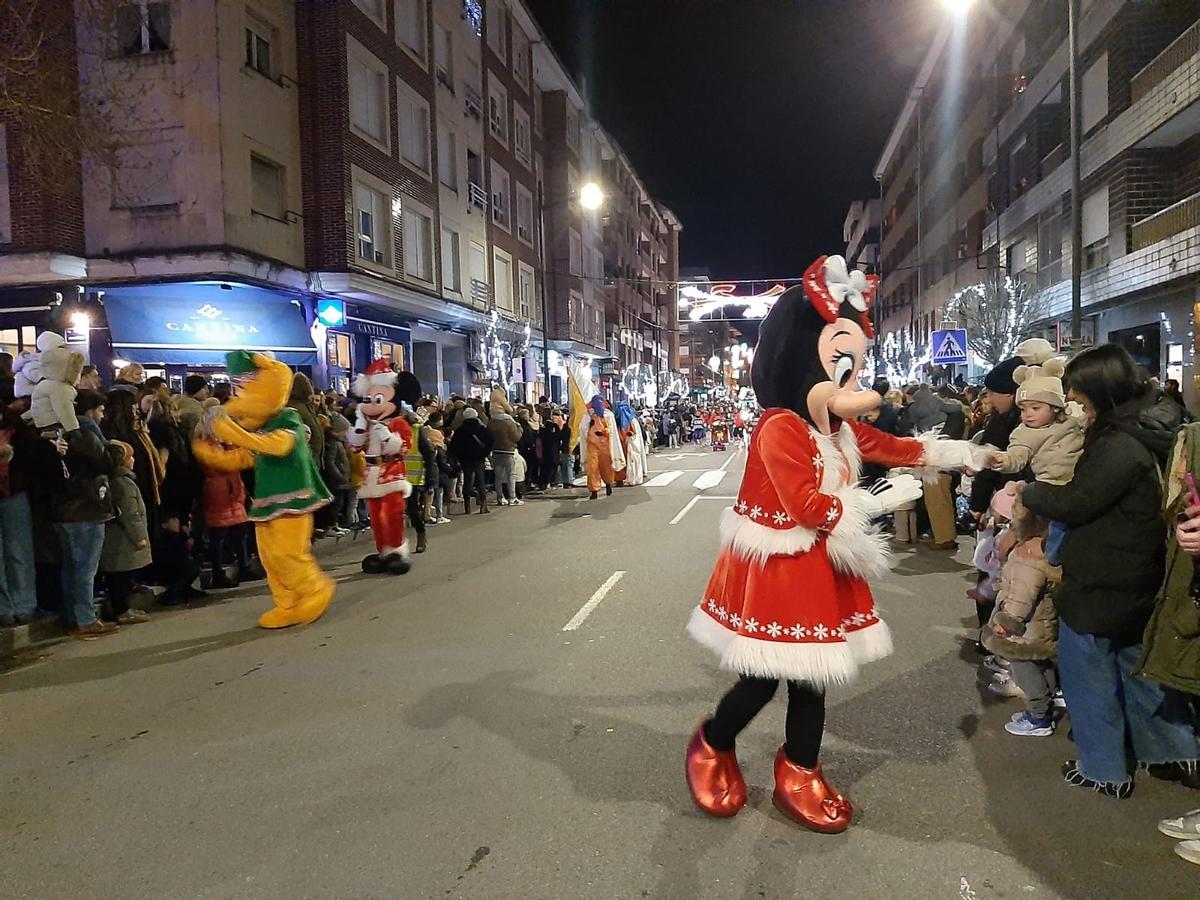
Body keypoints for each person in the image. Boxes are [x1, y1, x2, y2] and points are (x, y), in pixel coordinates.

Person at [684, 255, 976, 833]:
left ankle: (799, 768)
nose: (853, 386)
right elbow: (806, 507)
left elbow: (890, 444)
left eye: (853, 369)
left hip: (818, 570)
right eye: (838, 366)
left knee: (814, 680)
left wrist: (959, 455)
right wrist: (876, 502)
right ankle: (712, 743)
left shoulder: (833, 428)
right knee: (763, 678)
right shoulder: (780, 426)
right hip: (779, 571)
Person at [1021, 343, 1196, 798]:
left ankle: (1104, 769)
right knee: (1138, 668)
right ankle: (1173, 753)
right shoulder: (1154, 428)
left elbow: (1077, 502)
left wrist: (1030, 492)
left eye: (1080, 393)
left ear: (1100, 389)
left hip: (1104, 574)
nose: (1076, 401)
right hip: (1139, 569)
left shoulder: (1119, 444)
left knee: (1088, 674)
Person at [193, 351, 334, 627]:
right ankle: (287, 603)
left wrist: (230, 431)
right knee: (270, 557)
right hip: (266, 502)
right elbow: (246, 457)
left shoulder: (288, 418)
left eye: (243, 391)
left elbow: (277, 446)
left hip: (294, 500)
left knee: (287, 552)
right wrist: (210, 454)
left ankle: (314, 590)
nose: (237, 402)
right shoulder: (262, 426)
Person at [99, 441, 152, 624]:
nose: (133, 460)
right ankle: (121, 610)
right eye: (130, 457)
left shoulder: (116, 481)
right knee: (120, 577)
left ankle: (120, 608)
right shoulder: (123, 484)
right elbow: (131, 515)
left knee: (118, 576)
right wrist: (140, 538)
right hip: (122, 540)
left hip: (117, 539)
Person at [0, 400, 40, 626]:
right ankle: (5, 610)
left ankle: (24, 607)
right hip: (12, 492)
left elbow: (30, 455)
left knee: (20, 550)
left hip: (14, 491)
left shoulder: (13, 423)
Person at [449, 407, 492, 514]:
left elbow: (454, 446)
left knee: (467, 481)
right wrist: (484, 453)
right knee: (480, 481)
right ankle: (483, 505)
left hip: (465, 459)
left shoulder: (460, 430)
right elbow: (490, 442)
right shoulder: (481, 429)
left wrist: (459, 457)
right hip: (479, 458)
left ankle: (467, 507)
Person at [488, 398, 523, 507]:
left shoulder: (491, 422)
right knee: (510, 476)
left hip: (495, 451)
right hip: (508, 451)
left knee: (498, 476)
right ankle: (512, 498)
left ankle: (500, 497)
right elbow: (516, 437)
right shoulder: (509, 422)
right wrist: (520, 428)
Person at [323, 413, 353, 535]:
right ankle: (330, 525)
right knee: (334, 505)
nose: (346, 434)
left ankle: (335, 525)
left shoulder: (339, 443)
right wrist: (340, 477)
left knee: (338, 504)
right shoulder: (333, 444)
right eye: (344, 431)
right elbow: (330, 462)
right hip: (336, 482)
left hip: (340, 481)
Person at [172, 374, 210, 442]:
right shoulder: (195, 410)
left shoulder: (174, 404)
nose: (207, 391)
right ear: (195, 389)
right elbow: (195, 438)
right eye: (204, 388)